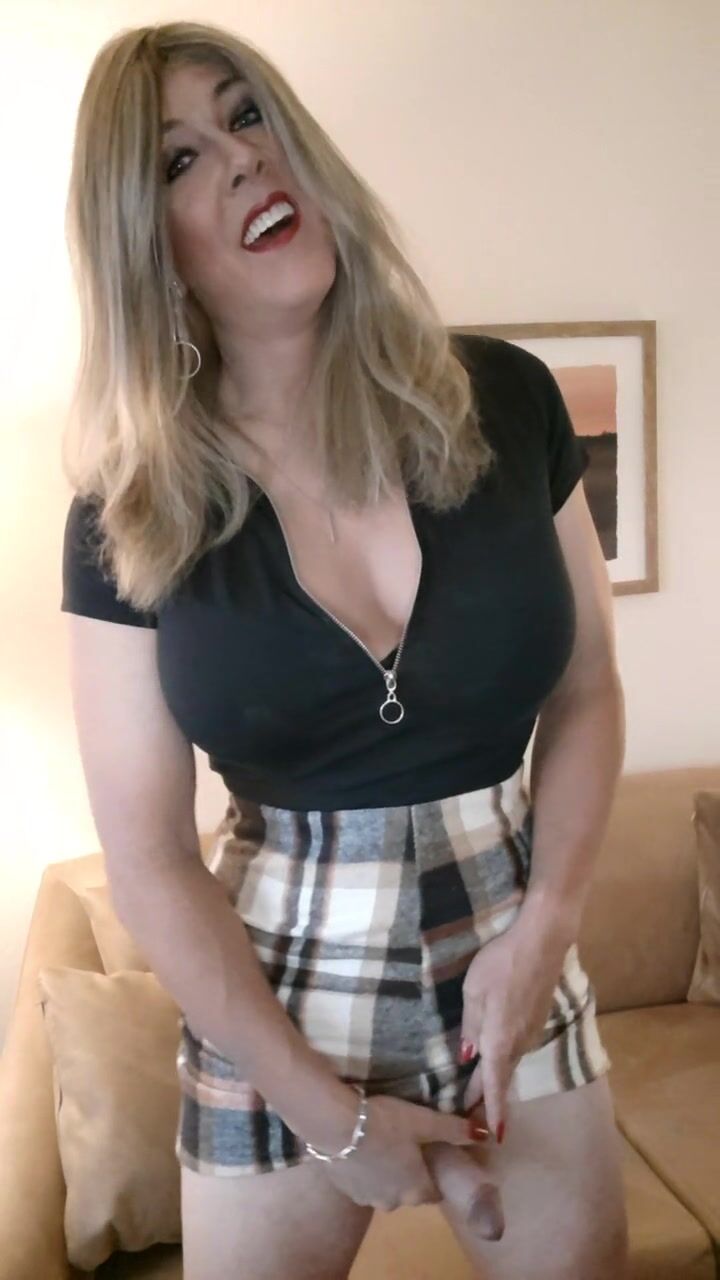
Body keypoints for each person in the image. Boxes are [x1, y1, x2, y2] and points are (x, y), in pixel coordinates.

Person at [59, 19, 629, 1280]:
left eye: (248, 116)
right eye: (180, 160)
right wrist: (331, 1116)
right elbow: (148, 857)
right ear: (147, 243)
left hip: (514, 957)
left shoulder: (507, 398)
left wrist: (548, 923)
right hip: (277, 1002)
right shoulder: (128, 514)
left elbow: (589, 689)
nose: (242, 160)